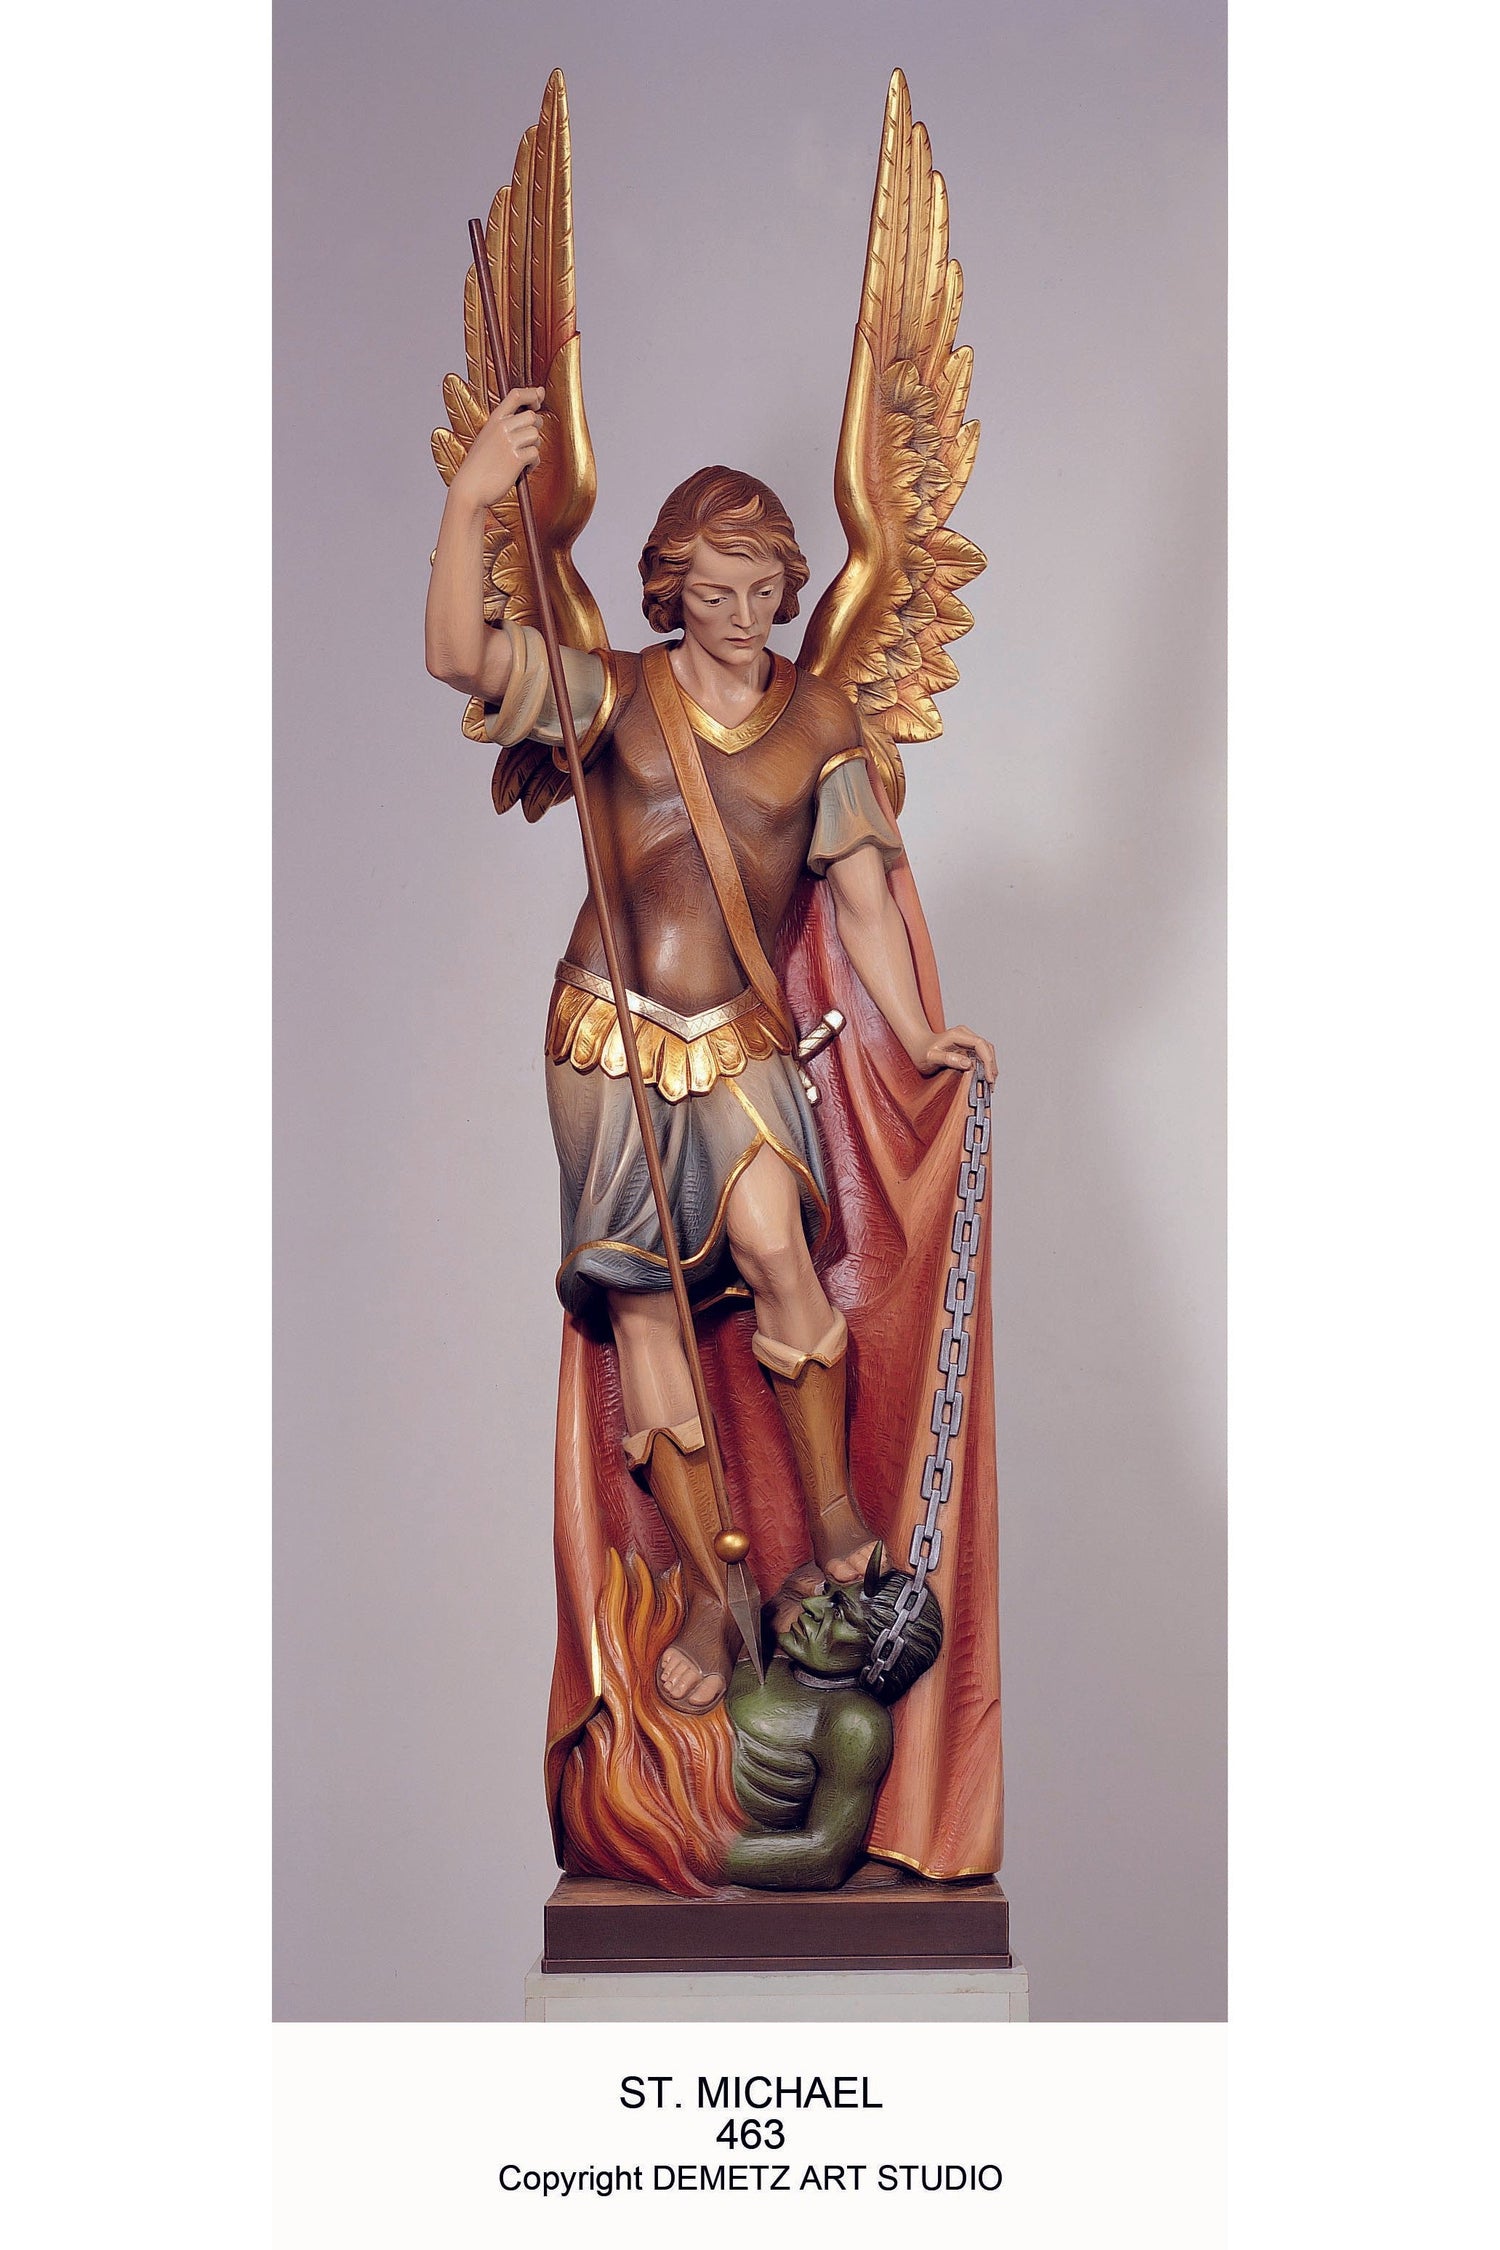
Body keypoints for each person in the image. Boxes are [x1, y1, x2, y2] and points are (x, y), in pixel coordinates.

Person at [426, 395, 996, 1722]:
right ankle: (705, 1584)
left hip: (739, 1035)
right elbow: (458, 653)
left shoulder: (821, 721)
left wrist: (918, 1029)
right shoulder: (615, 691)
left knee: (781, 1249)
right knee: (644, 1308)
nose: (742, 617)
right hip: (608, 1037)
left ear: (789, 588)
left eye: (761, 591)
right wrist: (470, 497)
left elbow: (861, 898)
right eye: (714, 592)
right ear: (671, 591)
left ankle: (836, 1515)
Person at [724, 1549, 944, 1891]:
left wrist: (693, 1854)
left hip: (680, 1827)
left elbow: (824, 1856)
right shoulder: (774, 1663)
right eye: (827, 1594)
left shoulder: (854, 1722)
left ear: (880, 1653)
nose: (812, 1606)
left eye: (840, 1612)